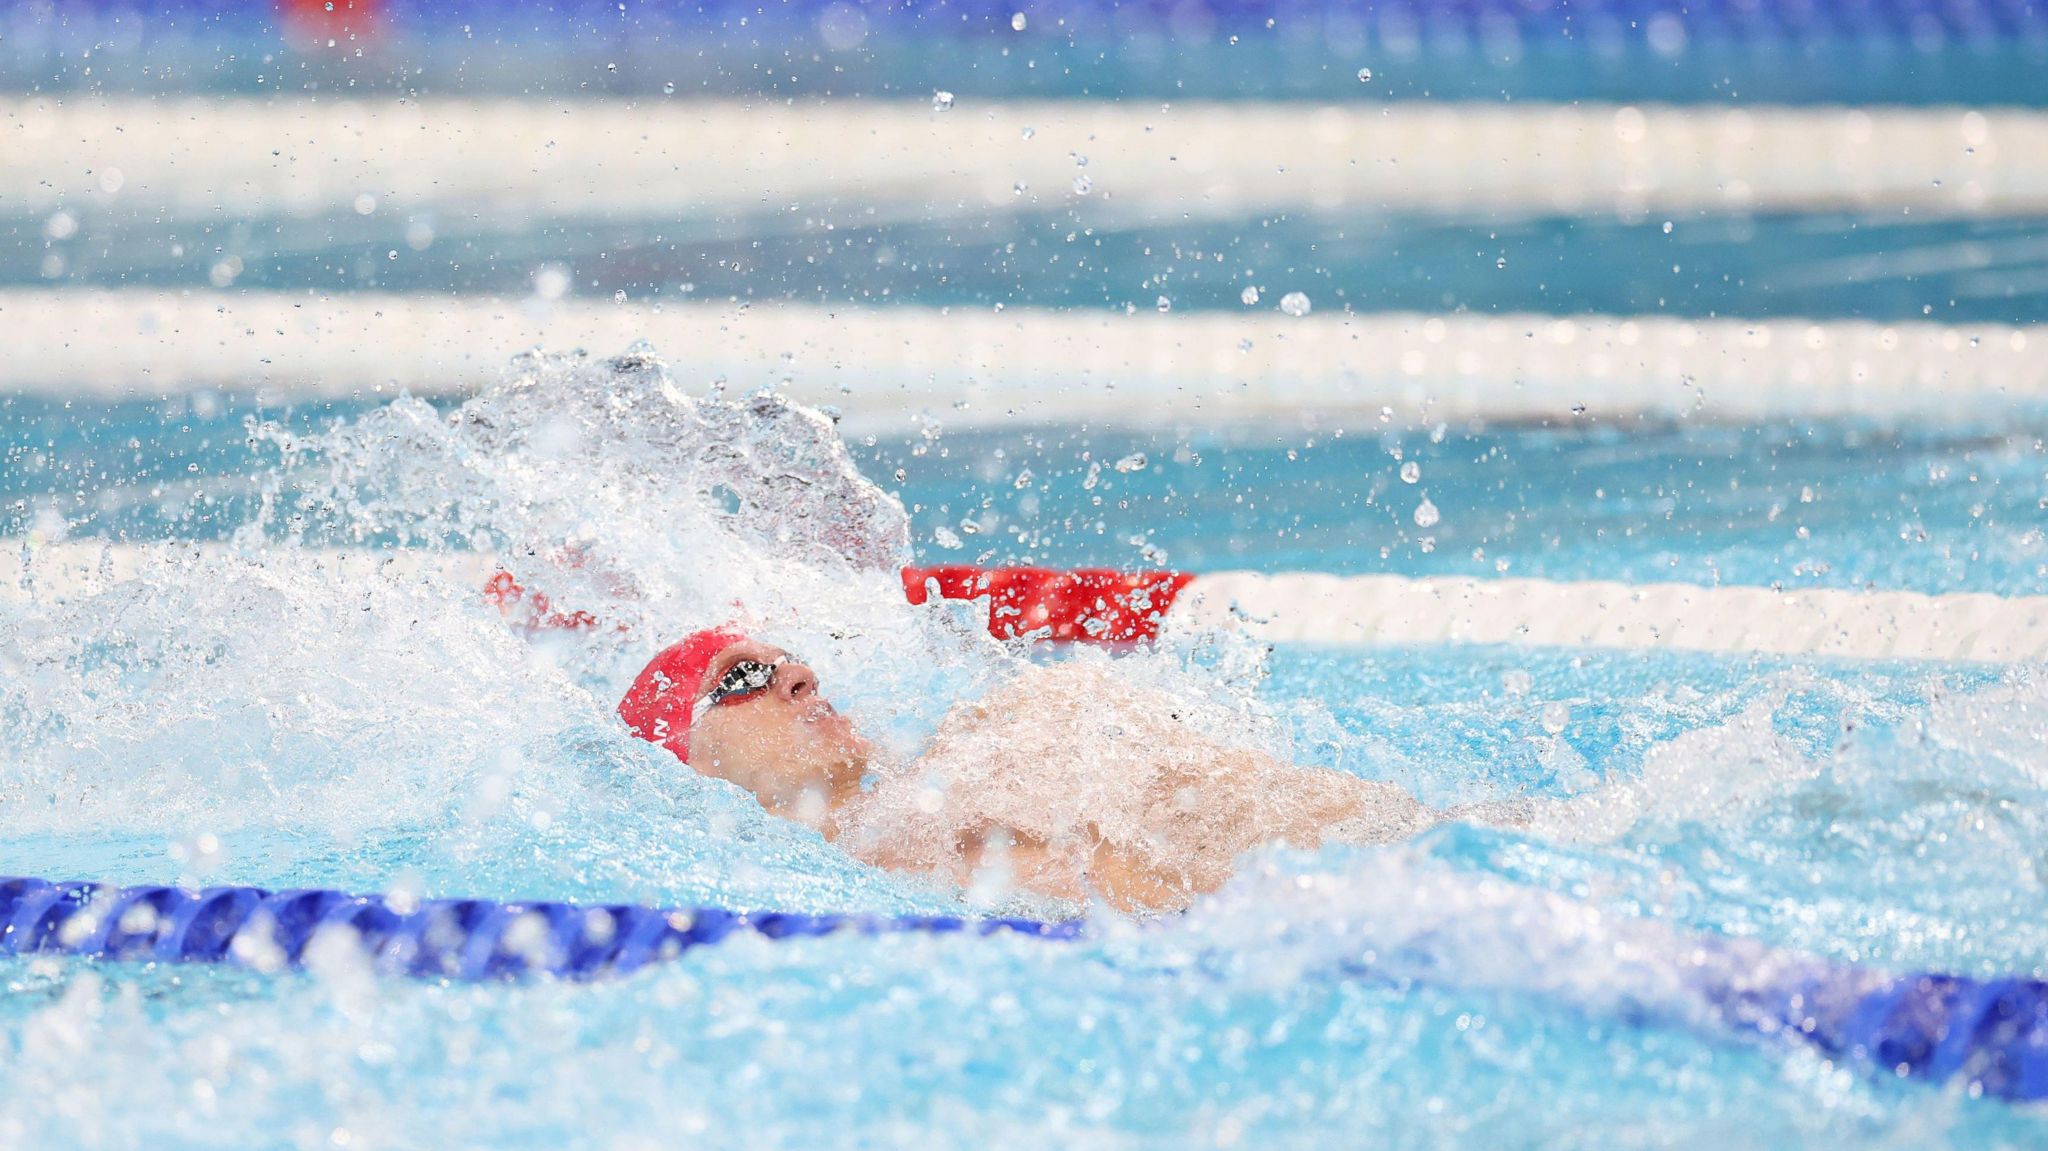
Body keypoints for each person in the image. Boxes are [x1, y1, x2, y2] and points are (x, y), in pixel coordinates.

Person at [619, 628, 1489, 913]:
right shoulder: (908, 835)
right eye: (740, 678)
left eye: (794, 662)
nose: (799, 677)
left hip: (1431, 859)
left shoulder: (938, 780)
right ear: (690, 764)